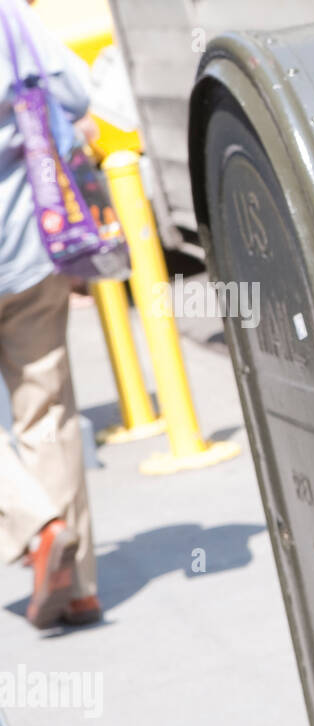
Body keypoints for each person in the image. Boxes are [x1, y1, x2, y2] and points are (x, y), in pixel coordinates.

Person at [0, 0, 100, 628]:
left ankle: (40, 529)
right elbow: (76, 92)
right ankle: (80, 587)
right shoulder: (10, 16)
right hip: (30, 247)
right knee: (48, 410)